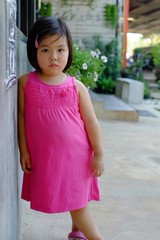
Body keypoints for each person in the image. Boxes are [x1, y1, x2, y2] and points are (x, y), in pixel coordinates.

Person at [18, 16, 104, 240]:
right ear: (34, 51)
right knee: (73, 197)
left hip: (77, 155)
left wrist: (99, 154)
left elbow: (92, 122)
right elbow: (22, 116)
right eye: (45, 49)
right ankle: (77, 232)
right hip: (50, 157)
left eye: (60, 49)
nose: (53, 57)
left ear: (69, 51)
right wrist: (24, 150)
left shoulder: (76, 87)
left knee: (76, 202)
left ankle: (95, 237)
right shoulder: (26, 83)